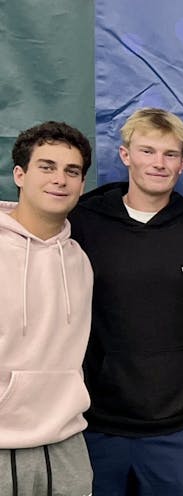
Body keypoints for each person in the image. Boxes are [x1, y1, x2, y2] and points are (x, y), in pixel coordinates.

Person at [69, 108, 183, 495]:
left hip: (177, 424)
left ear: (182, 164)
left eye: (170, 154)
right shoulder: (83, 221)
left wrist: (176, 322)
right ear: (125, 155)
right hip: (97, 421)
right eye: (147, 151)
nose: (158, 163)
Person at [0, 121, 94, 495]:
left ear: (82, 184)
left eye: (72, 171)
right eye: (47, 166)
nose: (60, 179)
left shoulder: (79, 261)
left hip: (67, 443)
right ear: (19, 175)